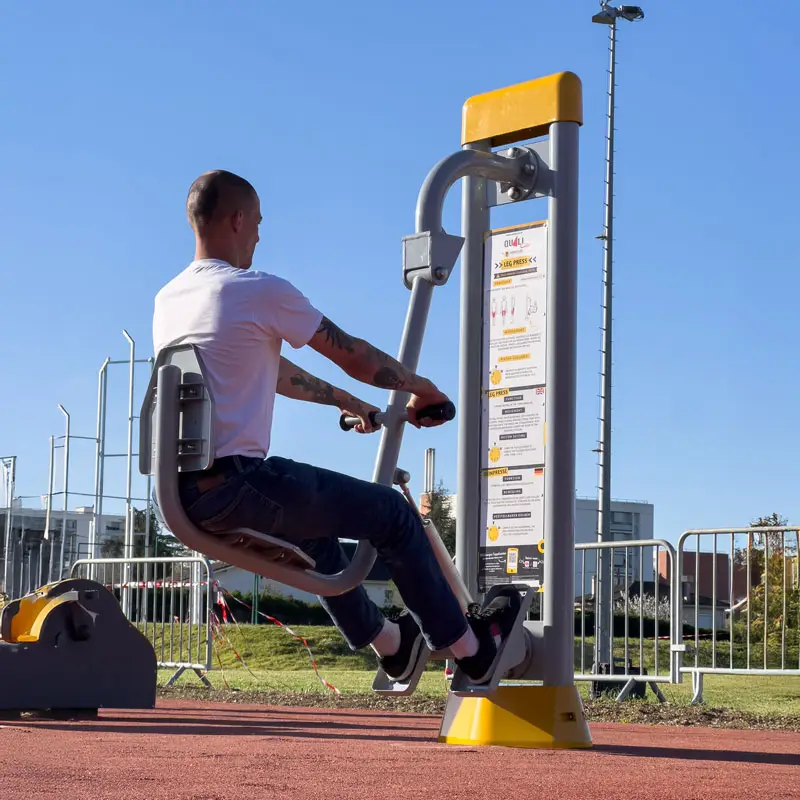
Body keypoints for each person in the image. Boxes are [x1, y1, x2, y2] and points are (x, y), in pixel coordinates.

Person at [152, 169, 521, 685]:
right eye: (257, 222)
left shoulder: (170, 302)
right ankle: (471, 648)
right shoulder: (257, 290)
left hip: (187, 494)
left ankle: (393, 645)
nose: (259, 234)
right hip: (239, 484)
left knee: (322, 543)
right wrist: (422, 388)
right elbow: (351, 354)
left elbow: (271, 371)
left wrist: (348, 403)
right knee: (392, 513)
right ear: (237, 219)